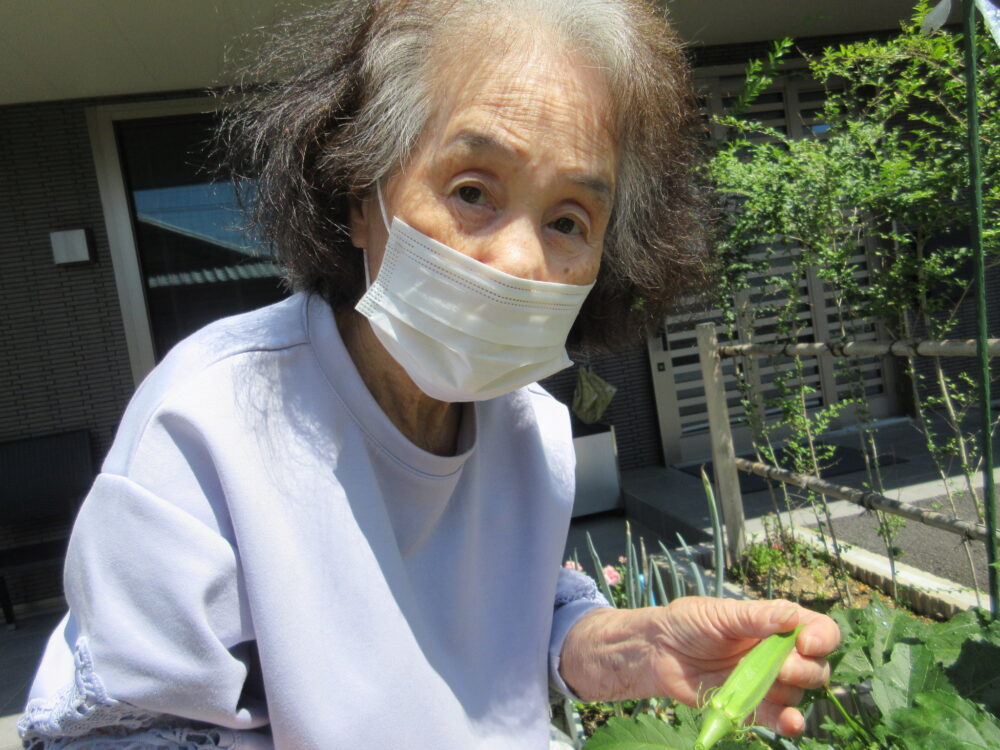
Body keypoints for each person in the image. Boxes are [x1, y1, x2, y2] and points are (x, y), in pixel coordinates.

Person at [20, 0, 840, 748]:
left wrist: (622, 645)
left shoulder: (532, 433)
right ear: (357, 193)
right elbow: (121, 730)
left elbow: (500, 616)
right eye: (473, 189)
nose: (522, 259)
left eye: (568, 220)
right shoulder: (211, 421)